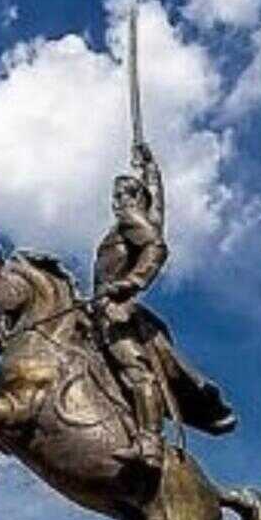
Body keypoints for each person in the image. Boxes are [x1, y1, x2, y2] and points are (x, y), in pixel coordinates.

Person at [93, 139, 170, 467]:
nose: (115, 202)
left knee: (136, 371)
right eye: (115, 196)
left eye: (120, 195)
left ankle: (150, 443)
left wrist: (130, 283)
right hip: (97, 311)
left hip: (114, 312)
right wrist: (150, 168)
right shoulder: (137, 219)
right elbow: (157, 212)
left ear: (132, 198)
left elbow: (157, 247)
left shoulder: (129, 220)